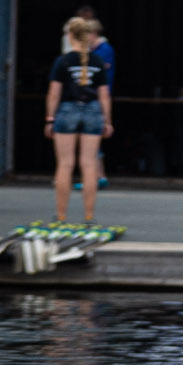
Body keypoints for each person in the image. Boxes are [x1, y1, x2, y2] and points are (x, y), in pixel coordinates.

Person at [47, 17, 111, 222]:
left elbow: (54, 93)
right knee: (89, 164)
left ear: (70, 36)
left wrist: (50, 118)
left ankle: (62, 215)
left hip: (67, 110)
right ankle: (89, 215)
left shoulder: (63, 61)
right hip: (92, 111)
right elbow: (104, 95)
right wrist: (107, 121)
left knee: (65, 164)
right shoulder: (98, 62)